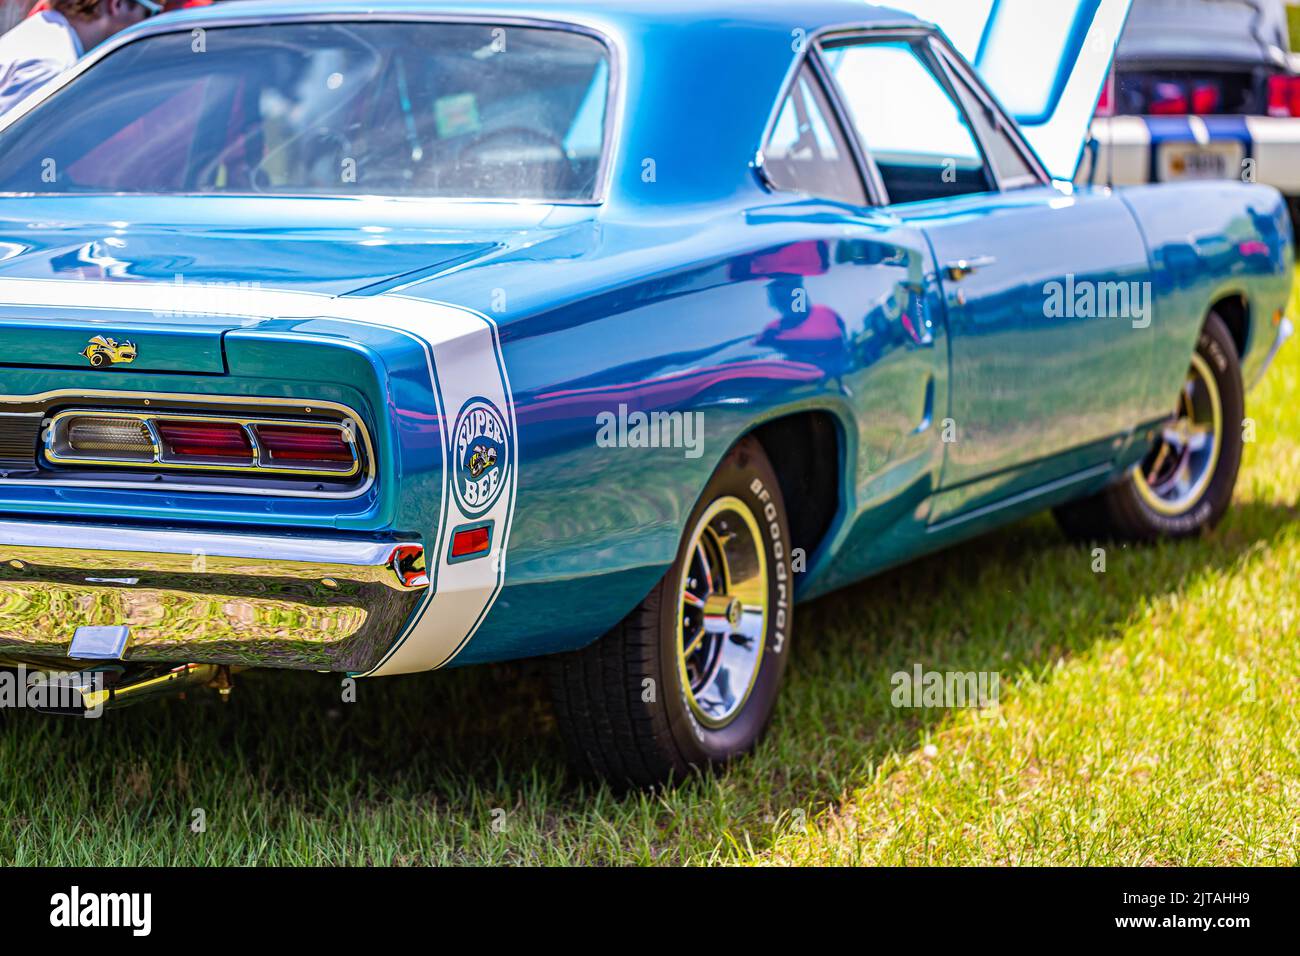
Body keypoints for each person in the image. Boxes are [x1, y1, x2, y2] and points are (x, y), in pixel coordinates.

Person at [0, 0, 161, 118]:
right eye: (150, 13)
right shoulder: (53, 68)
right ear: (116, 4)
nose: (149, 23)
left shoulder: (40, 30)